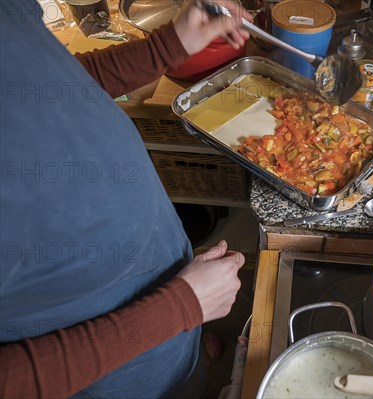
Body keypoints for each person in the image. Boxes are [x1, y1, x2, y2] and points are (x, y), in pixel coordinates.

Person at [0, 0, 251, 397]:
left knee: (186, 374)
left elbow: (49, 87)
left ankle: (189, 361)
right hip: (110, 369)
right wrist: (178, 309)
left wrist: (167, 47)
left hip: (165, 291)